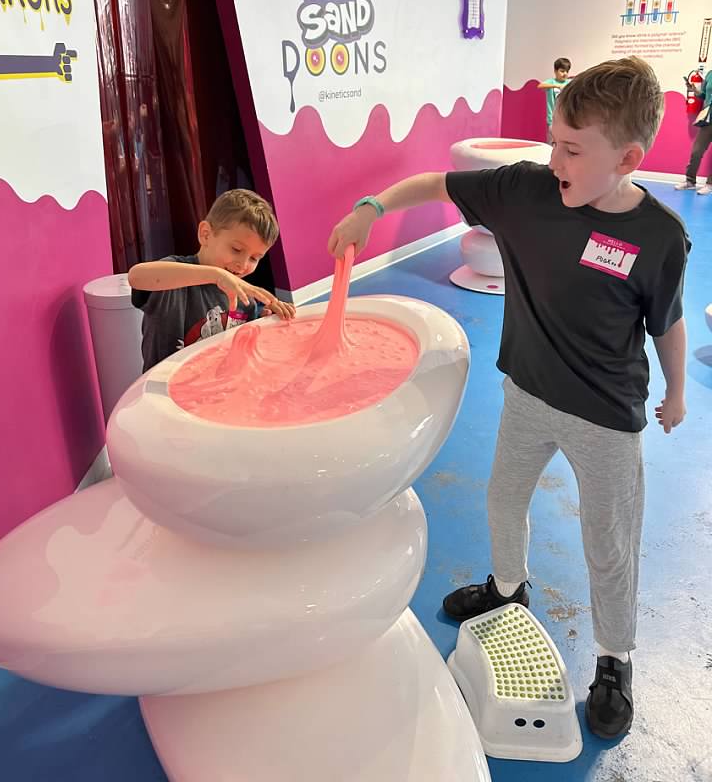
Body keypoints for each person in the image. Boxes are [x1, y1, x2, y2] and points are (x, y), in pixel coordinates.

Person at [328, 57, 690, 740]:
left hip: (607, 419)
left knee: (608, 543)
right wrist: (369, 209)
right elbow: (435, 183)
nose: (555, 160)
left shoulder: (659, 237)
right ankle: (506, 588)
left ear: (629, 159)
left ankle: (614, 659)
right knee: (503, 500)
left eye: (573, 150)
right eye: (553, 141)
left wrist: (676, 393)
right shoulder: (526, 190)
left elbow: (666, 322)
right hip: (527, 393)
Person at [129, 189, 295, 371]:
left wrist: (265, 321)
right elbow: (136, 277)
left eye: (254, 258)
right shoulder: (174, 278)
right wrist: (216, 275)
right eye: (236, 249)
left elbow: (241, 352)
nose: (242, 264)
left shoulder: (245, 300)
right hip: (163, 386)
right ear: (206, 234)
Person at [675, 68, 712, 195]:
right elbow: (703, 95)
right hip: (708, 119)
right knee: (697, 151)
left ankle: (710, 184)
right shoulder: (710, 74)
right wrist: (694, 90)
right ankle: (690, 181)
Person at [538, 57, 572, 142]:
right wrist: (556, 85)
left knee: (564, 140)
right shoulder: (551, 82)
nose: (565, 74)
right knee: (552, 140)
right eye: (562, 71)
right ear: (555, 71)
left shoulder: (569, 83)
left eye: (567, 71)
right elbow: (540, 86)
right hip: (552, 119)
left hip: (566, 118)